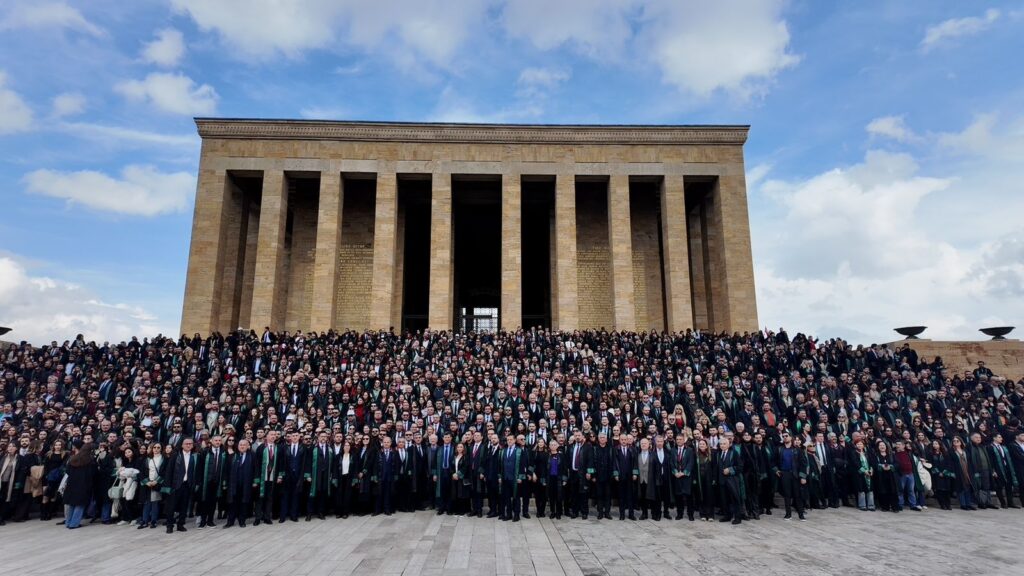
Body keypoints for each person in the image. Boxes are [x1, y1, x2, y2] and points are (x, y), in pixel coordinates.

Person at [165, 437, 198, 533]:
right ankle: (169, 526)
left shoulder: (194, 456)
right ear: (182, 445)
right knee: (171, 506)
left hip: (187, 485)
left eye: (190, 444)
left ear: (192, 445)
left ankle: (180, 524)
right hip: (175, 485)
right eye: (186, 443)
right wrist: (168, 485)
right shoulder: (175, 455)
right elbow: (169, 470)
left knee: (184, 506)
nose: (188, 445)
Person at [62, 442, 94, 529]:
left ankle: (68, 522)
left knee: (72, 504)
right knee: (80, 505)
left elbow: (67, 472)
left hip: (71, 484)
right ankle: (74, 524)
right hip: (83, 485)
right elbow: (92, 474)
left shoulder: (73, 459)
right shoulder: (89, 460)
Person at [224, 439, 255, 527]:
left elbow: (256, 469)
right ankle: (230, 521)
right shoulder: (232, 456)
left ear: (248, 446)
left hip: (246, 484)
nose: (242, 446)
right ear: (237, 446)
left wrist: (255, 481)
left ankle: (242, 521)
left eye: (244, 445)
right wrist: (225, 482)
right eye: (240, 445)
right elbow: (226, 470)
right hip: (233, 484)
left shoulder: (252, 456)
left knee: (244, 503)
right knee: (232, 503)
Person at [198, 435, 227, 527]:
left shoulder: (224, 453)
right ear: (211, 441)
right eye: (216, 440)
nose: (218, 442)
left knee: (213, 502)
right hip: (206, 480)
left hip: (217, 481)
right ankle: (203, 520)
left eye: (219, 440)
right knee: (204, 501)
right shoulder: (205, 452)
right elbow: (200, 467)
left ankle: (210, 520)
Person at [717, 436, 744, 524]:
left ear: (728, 445)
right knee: (724, 499)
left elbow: (740, 466)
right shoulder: (718, 454)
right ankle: (727, 516)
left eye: (724, 444)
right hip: (722, 480)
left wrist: (730, 470)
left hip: (732, 480)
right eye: (721, 444)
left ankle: (738, 517)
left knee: (735, 499)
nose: (722, 445)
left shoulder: (734, 453)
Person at [138, 443, 165, 529]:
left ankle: (154, 521)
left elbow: (165, 472)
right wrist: (146, 482)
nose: (156, 449)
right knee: (147, 502)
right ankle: (145, 521)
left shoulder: (163, 459)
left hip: (157, 483)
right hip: (147, 483)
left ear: (161, 449)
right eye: (154, 447)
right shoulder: (147, 459)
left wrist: (157, 481)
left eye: (158, 447)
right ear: (152, 448)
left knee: (155, 502)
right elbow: (141, 472)